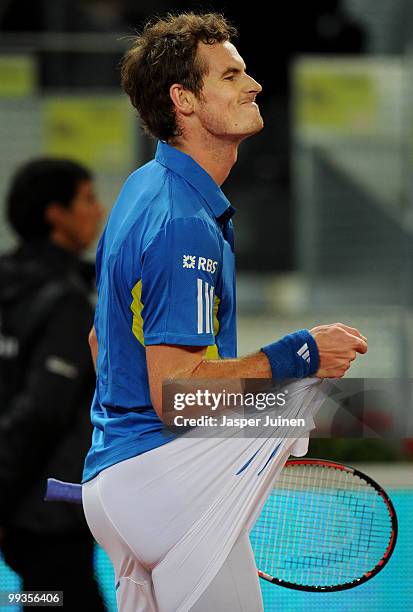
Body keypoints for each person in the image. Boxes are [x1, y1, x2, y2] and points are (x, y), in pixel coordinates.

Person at [81, 12, 368, 612]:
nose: (254, 84)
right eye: (231, 75)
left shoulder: (143, 188)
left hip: (118, 482)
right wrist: (302, 355)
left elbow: (100, 342)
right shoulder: (184, 222)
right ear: (183, 100)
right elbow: (177, 397)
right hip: (164, 487)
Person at [0, 158, 105, 611]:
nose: (98, 211)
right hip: (47, 514)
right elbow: (41, 411)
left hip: (25, 517)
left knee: (39, 598)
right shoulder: (65, 302)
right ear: (55, 214)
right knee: (60, 599)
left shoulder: (13, 282)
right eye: (87, 198)